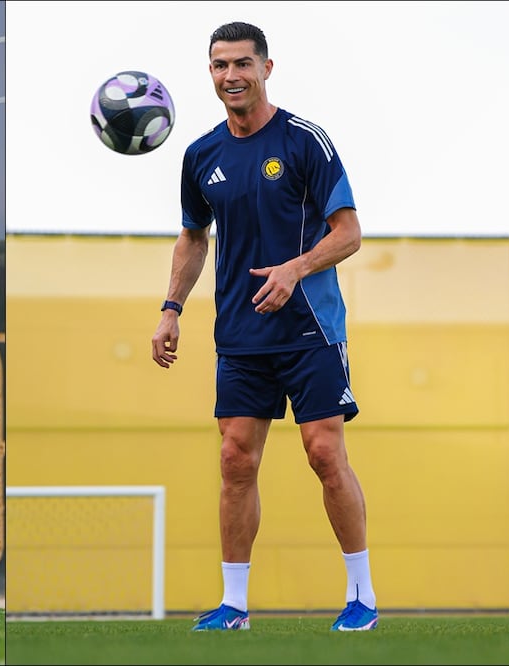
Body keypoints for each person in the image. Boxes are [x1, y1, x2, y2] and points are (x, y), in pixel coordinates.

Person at [150, 21, 378, 632]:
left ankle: (362, 597)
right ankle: (234, 606)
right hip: (241, 338)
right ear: (210, 73)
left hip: (310, 330)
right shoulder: (200, 155)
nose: (232, 76)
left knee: (325, 453)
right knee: (234, 460)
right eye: (221, 65)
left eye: (243, 64)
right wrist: (171, 309)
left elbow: (349, 233)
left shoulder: (306, 141)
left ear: (267, 69)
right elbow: (194, 236)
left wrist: (295, 269)